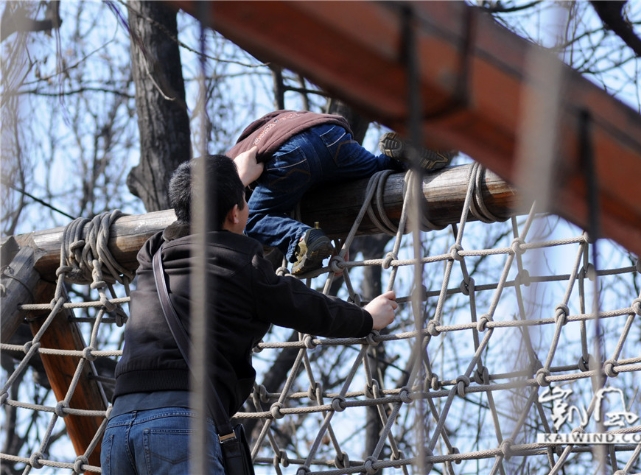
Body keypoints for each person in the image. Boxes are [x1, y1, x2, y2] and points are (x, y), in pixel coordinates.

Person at [100, 153, 398, 475]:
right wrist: (366, 317)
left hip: (118, 425)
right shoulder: (239, 262)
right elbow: (303, 306)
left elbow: (186, 225)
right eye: (245, 199)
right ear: (235, 212)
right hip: (180, 424)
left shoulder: (152, 257)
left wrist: (232, 182)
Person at [227, 110, 455, 276]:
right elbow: (325, 190)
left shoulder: (228, 167)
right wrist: (340, 235)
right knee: (374, 173)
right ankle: (403, 156)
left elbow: (250, 216)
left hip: (288, 154)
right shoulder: (282, 120)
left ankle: (300, 239)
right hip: (332, 135)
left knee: (253, 220)